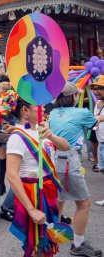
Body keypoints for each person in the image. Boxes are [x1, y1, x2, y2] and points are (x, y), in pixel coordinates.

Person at [6, 96, 70, 257]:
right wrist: (31, 209)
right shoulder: (17, 137)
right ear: (25, 110)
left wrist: (51, 136)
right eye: (38, 106)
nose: (43, 108)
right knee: (37, 244)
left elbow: (66, 146)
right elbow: (12, 175)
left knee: (44, 243)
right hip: (33, 193)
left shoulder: (41, 129)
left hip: (47, 190)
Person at [49, 82, 103, 256]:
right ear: (73, 96)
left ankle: (52, 236)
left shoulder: (53, 113)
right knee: (84, 204)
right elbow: (95, 121)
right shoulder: (82, 112)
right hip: (69, 160)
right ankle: (78, 244)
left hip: (53, 160)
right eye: (77, 95)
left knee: (59, 198)